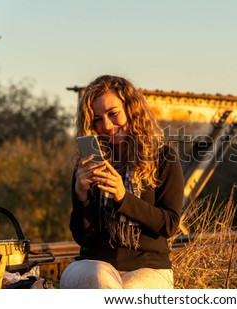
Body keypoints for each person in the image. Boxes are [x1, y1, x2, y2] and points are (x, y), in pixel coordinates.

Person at [60, 75, 184, 289]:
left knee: (131, 291)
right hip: (94, 262)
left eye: (113, 114)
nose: (106, 125)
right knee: (99, 277)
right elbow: (84, 238)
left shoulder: (163, 157)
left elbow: (169, 224)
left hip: (149, 266)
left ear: (131, 110)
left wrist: (122, 198)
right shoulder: (87, 164)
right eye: (97, 119)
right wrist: (81, 197)